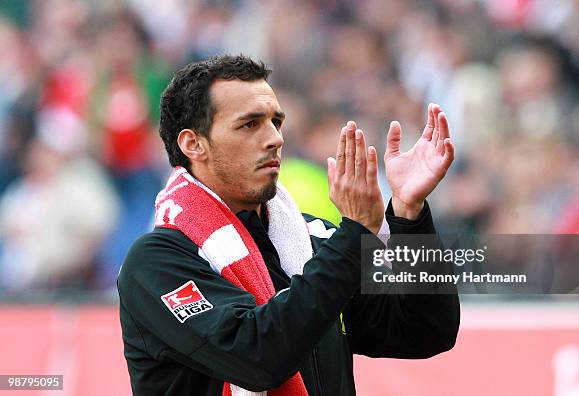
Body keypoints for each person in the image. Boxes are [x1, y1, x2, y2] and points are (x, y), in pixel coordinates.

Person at [118, 55, 460, 396]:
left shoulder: (313, 240)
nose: (275, 138)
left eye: (276, 122)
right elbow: (257, 358)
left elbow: (425, 330)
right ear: (193, 144)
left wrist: (408, 215)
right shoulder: (156, 263)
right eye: (249, 124)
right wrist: (354, 233)